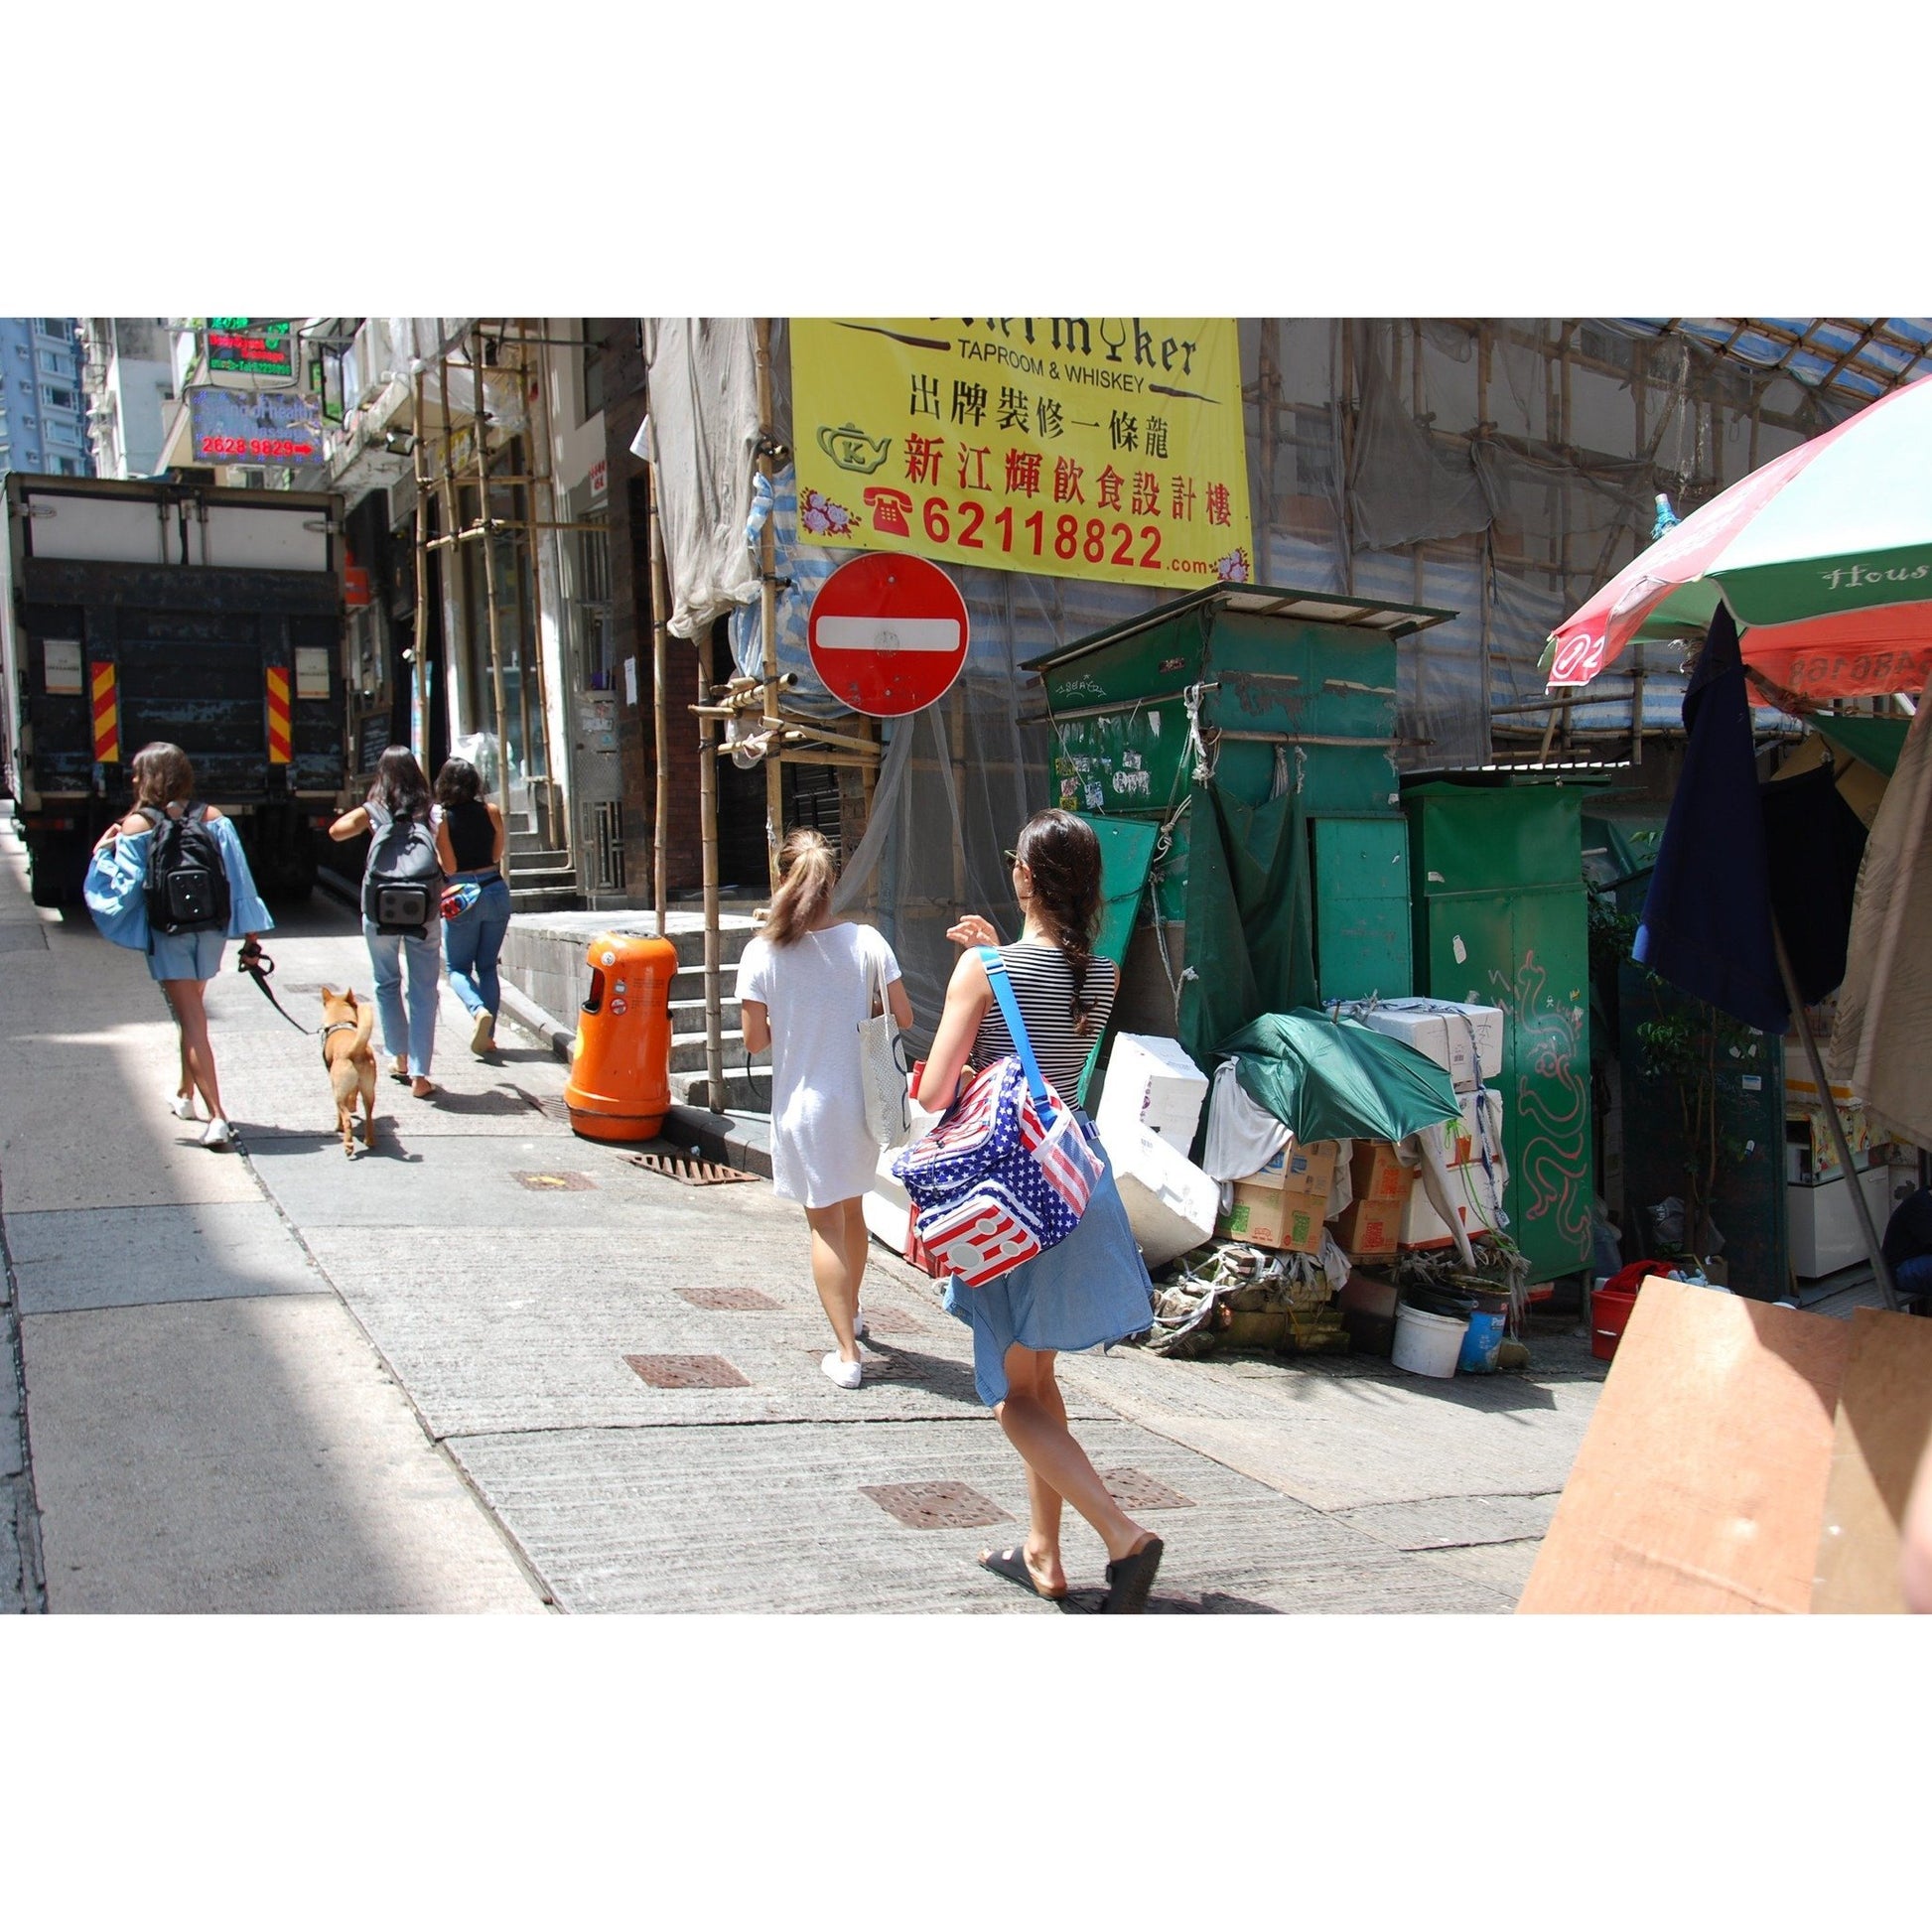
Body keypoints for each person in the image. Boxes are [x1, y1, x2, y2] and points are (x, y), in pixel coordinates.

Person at [917, 807, 1165, 1613]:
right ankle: (1043, 1554)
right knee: (1040, 1378)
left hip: (1007, 1200)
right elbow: (1050, 1032)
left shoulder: (983, 971)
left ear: (1023, 877)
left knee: (1011, 1393)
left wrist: (982, 967)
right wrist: (995, 953)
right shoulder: (1103, 973)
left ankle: (1123, 1535)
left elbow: (935, 1091)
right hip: (1068, 1181)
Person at [738, 828, 912, 1390]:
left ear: (780, 878)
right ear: (832, 881)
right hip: (861, 1101)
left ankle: (846, 1353)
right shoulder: (866, 943)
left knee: (824, 1227)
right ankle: (853, 1313)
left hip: (804, 1108)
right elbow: (903, 1017)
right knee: (853, 1213)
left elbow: (755, 1042)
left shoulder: (761, 952)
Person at [84, 741, 273, 1151]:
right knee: (192, 1015)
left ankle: (218, 1117)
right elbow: (240, 882)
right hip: (211, 930)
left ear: (150, 778)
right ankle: (185, 1096)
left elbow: (124, 893)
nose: (133, 779)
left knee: (192, 1021)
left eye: (138, 772)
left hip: (169, 933)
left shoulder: (137, 825)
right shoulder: (214, 818)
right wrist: (252, 939)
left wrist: (101, 855)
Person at [329, 748, 440, 1099]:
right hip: (424, 911)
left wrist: (369, 815)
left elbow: (335, 832)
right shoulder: (431, 813)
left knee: (386, 983)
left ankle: (400, 1058)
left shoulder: (373, 812)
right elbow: (447, 859)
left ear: (382, 777)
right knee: (424, 989)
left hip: (379, 910)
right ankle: (421, 1076)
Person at [433, 756, 510, 1057]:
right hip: (494, 890)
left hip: (461, 895)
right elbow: (496, 854)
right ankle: (488, 1037)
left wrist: (441, 857)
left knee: (457, 968)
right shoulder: (491, 811)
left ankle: (478, 1011)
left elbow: (450, 865)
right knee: (488, 966)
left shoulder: (442, 820)